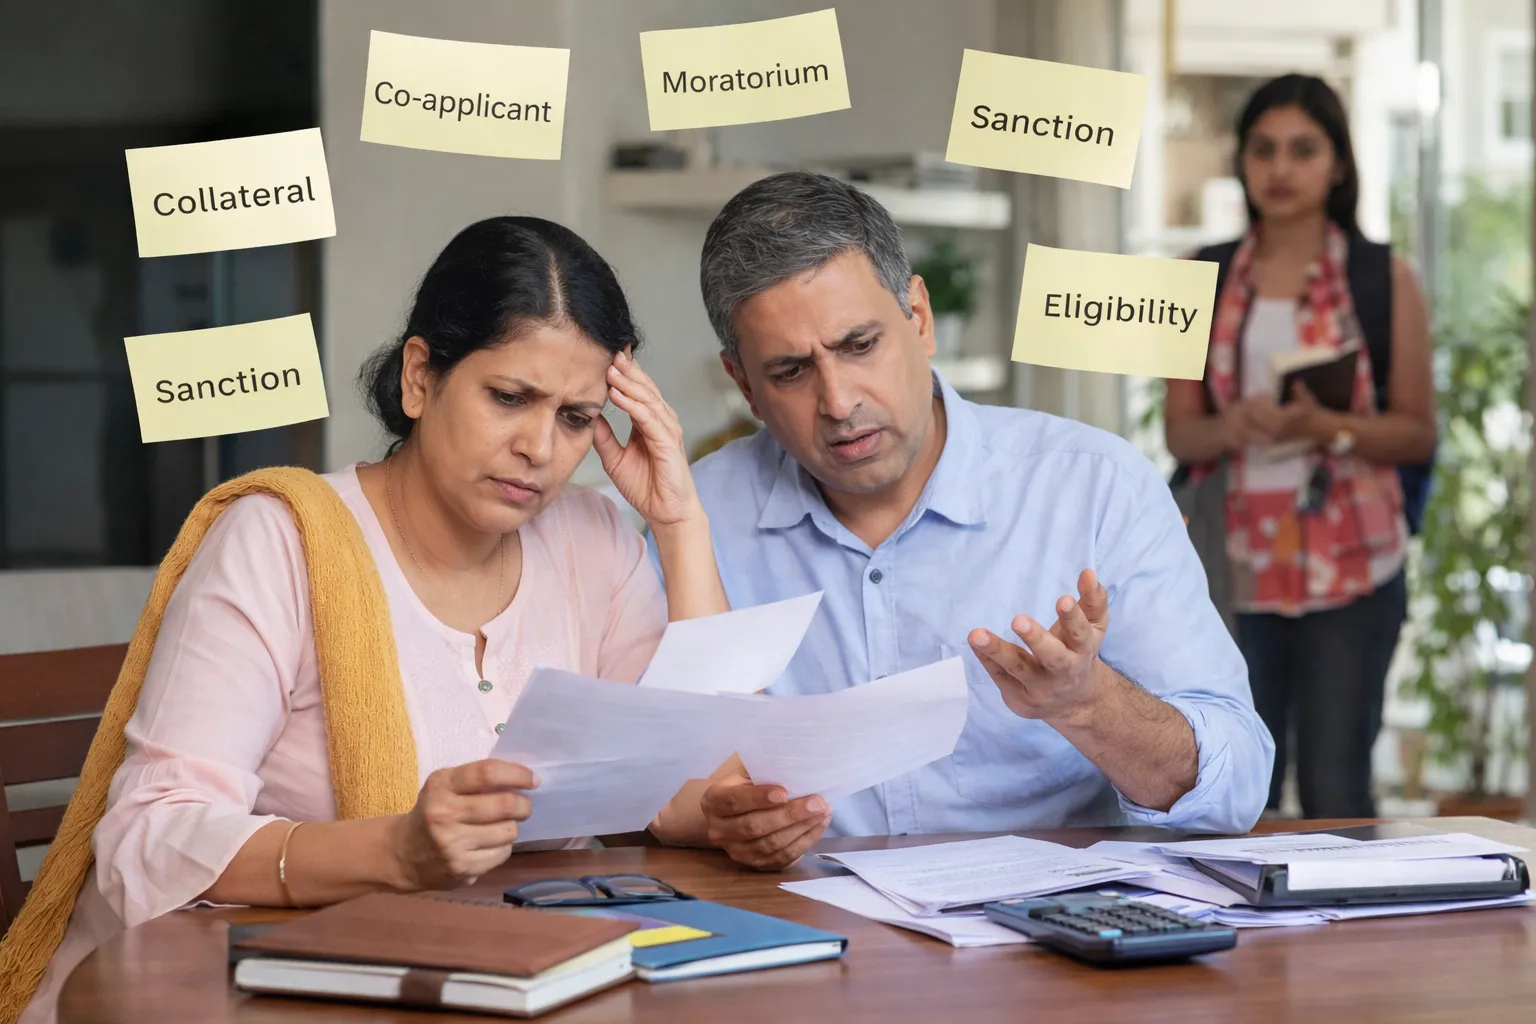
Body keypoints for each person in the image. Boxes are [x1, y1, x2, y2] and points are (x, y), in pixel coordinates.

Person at [4, 216, 728, 1024]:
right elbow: (148, 841)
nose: (540, 449)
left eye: (574, 418)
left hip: (485, 982)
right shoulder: (281, 541)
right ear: (420, 377)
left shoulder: (594, 539)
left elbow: (684, 775)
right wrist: (396, 851)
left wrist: (679, 523)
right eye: (510, 397)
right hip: (222, 991)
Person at [648, 171, 1275, 871]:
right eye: (792, 371)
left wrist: (1089, 703)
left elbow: (1237, 786)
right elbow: (644, 776)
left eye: (860, 345)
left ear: (919, 317)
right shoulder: (693, 521)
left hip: (1053, 946)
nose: (838, 400)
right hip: (809, 941)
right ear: (744, 385)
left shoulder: (1095, 487)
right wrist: (722, 819)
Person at [1163, 75, 1436, 819]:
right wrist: (1235, 427)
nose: (1280, 169)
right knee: (1229, 783)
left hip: (1351, 565)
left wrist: (1330, 429)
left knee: (1336, 783)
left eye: (1303, 150)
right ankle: (1237, 935)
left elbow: (1417, 430)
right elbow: (1181, 431)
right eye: (1263, 150)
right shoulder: (1200, 275)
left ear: (1339, 164)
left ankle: (1343, 934)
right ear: (1242, 162)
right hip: (1234, 566)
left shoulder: (1384, 278)